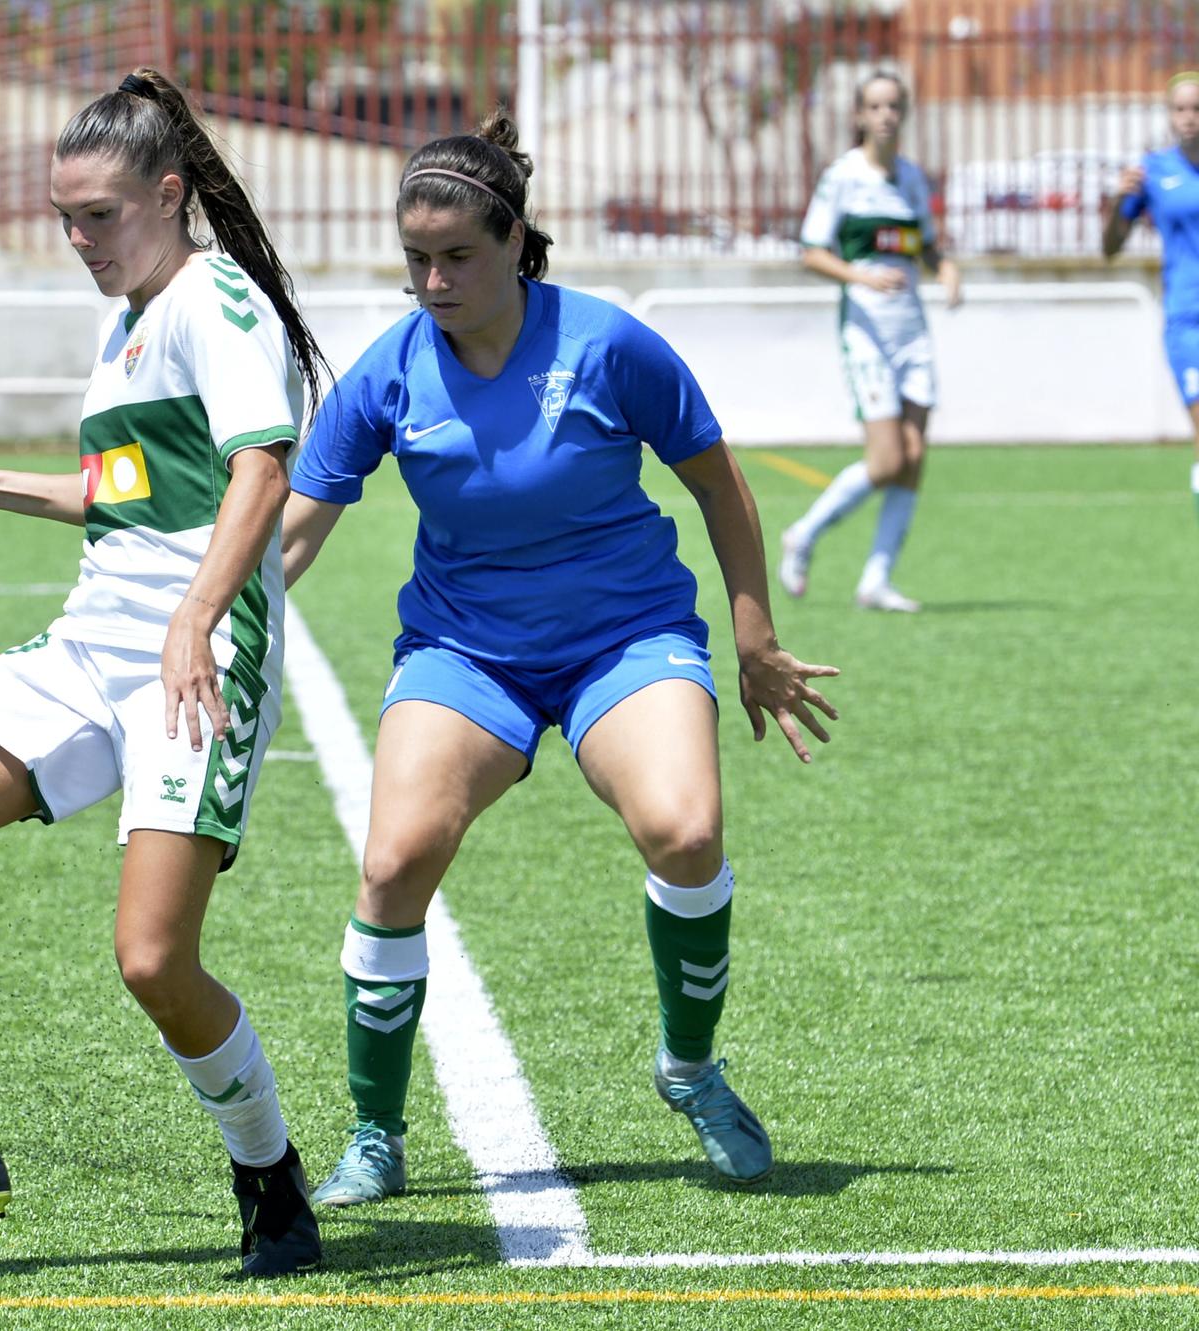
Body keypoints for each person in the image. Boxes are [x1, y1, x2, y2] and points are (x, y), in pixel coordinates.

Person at [280, 111, 838, 1205]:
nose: (432, 282)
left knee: (684, 831)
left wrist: (753, 636)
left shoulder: (608, 344)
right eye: (414, 261)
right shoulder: (388, 371)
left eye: (456, 257)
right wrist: (210, 621)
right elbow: (295, 527)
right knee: (392, 864)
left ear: (514, 242)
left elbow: (717, 483)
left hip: (621, 638)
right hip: (462, 652)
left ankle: (686, 1066)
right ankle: (375, 1133)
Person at [0, 68, 328, 1276]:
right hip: (91, 642)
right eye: (64, 217)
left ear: (167, 194)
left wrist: (196, 617)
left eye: (97, 215)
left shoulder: (219, 300)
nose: (77, 239)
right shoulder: (130, 318)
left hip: (194, 664)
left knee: (153, 959)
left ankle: (269, 1178)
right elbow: (136, 493)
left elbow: (262, 472)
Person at [780, 71, 962, 613]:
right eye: (875, 106)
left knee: (914, 456)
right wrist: (862, 277)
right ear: (860, 115)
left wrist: (946, 269)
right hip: (867, 333)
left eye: (894, 106)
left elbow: (927, 248)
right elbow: (811, 252)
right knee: (885, 460)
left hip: (913, 334)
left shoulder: (911, 178)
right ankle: (804, 534)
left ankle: (876, 580)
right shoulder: (843, 177)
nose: (885, 115)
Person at [1103, 71, 1199, 518]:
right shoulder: (1153, 172)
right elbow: (1111, 247)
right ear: (1169, 116)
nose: (1190, 118)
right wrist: (1116, 201)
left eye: (1197, 109)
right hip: (1188, 320)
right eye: (1181, 109)